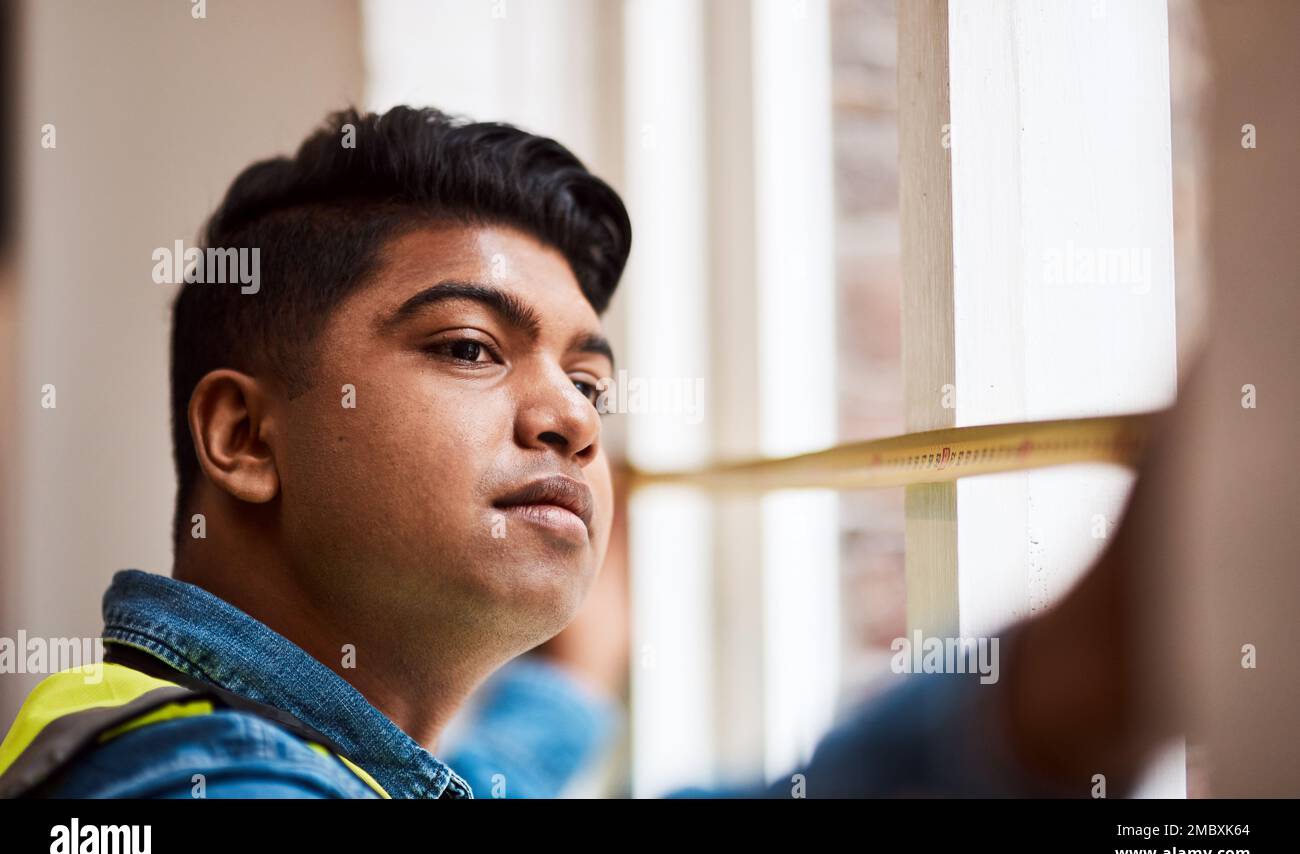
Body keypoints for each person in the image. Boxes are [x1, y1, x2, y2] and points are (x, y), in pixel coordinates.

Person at [0, 106, 1166, 799]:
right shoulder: (189, 782)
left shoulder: (236, 738)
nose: (571, 419)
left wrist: (570, 688)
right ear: (244, 437)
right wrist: (1053, 695)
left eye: (590, 379)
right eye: (468, 347)